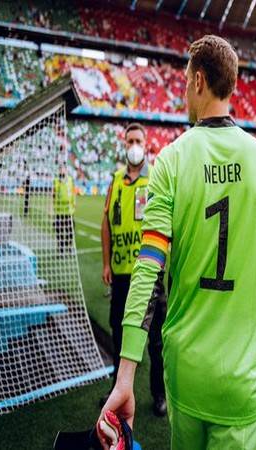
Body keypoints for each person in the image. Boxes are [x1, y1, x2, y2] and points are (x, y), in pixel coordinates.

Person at [98, 35, 256, 450]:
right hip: (241, 379)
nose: (182, 92)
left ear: (198, 81)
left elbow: (149, 269)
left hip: (186, 374)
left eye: (183, 82)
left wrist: (126, 376)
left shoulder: (171, 161)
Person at [100, 122, 167, 417]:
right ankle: (118, 388)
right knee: (118, 332)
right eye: (129, 141)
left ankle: (159, 394)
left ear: (147, 144)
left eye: (138, 140)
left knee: (155, 339)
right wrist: (105, 262)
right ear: (124, 145)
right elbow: (106, 223)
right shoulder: (115, 181)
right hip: (121, 272)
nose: (134, 145)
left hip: (149, 272)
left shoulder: (154, 180)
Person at [52, 164, 75, 255]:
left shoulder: (70, 180)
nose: (62, 171)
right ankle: (61, 250)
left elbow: (72, 193)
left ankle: (69, 248)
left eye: (64, 169)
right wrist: (52, 207)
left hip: (69, 211)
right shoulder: (56, 181)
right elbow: (53, 194)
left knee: (70, 231)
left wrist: (74, 203)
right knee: (60, 232)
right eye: (61, 169)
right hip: (59, 211)